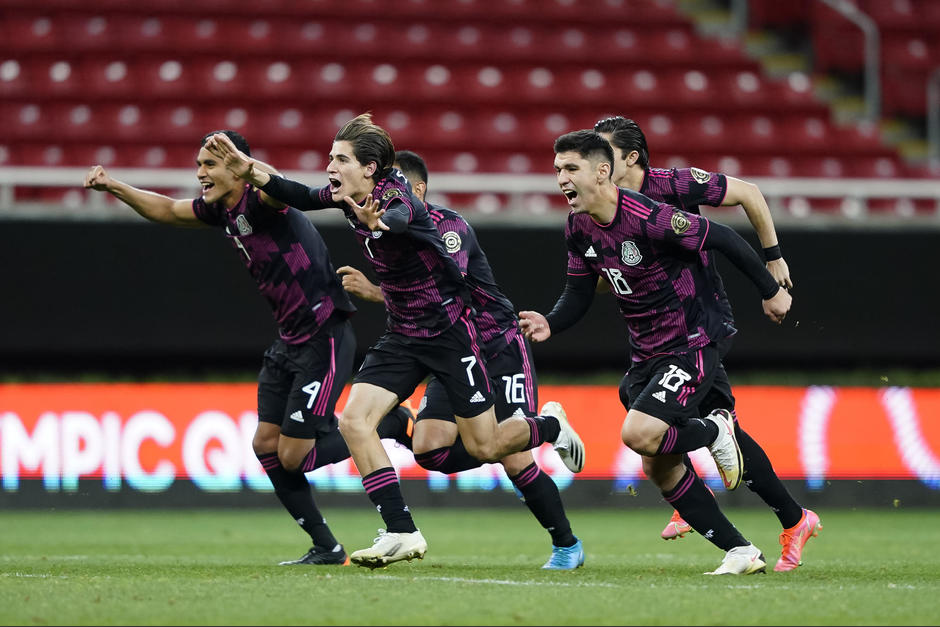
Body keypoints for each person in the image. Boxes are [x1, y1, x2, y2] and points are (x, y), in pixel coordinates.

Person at [206, 114, 585, 569]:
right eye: (330, 157)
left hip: (452, 336)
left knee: (487, 446)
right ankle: (401, 530)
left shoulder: (397, 197)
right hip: (404, 335)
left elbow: (402, 218)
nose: (330, 166)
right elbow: (300, 195)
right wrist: (251, 171)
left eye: (340, 159)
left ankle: (550, 428)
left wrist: (381, 223)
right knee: (356, 421)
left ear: (369, 168)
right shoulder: (350, 195)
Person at [82, 130, 414, 567]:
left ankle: (390, 423)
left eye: (209, 164)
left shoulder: (263, 200)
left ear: (237, 168)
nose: (200, 173)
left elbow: (279, 186)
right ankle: (326, 547)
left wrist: (249, 166)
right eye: (199, 165)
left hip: (323, 335)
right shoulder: (220, 209)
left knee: (293, 456)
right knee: (266, 445)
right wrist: (115, 186)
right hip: (288, 341)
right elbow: (166, 210)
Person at [519, 129, 793, 575]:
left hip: (691, 342)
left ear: (602, 171)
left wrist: (770, 289)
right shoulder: (578, 226)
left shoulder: (648, 216)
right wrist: (551, 321)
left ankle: (715, 430)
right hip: (646, 351)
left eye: (570, 168)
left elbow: (722, 237)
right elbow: (579, 291)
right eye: (557, 170)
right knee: (659, 466)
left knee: (639, 434)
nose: (561, 178)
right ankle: (740, 551)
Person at [336, 149, 584, 569]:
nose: (385, 198)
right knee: (430, 450)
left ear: (417, 190)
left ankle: (566, 541)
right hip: (449, 348)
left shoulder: (447, 227)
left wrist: (376, 292)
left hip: (495, 344)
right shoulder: (387, 236)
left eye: (394, 190)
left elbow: (446, 292)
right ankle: (412, 430)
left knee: (511, 454)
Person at [594, 116, 821, 572]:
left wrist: (773, 258)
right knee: (714, 424)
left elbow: (749, 193)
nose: (595, 164)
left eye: (604, 154)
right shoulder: (604, 208)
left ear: (632, 157)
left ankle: (697, 495)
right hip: (658, 336)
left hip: (700, 325)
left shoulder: (674, 185)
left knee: (671, 426)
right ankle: (793, 518)